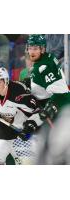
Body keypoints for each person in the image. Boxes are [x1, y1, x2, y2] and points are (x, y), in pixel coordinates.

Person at [25, 34, 70, 164]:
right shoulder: (44, 61)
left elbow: (60, 94)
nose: (32, 52)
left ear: (43, 49)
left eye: (35, 48)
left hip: (62, 114)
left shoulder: (43, 67)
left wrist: (51, 107)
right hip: (59, 112)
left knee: (55, 154)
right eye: (30, 48)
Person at [0, 67, 41, 165]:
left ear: (6, 81)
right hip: (6, 125)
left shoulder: (18, 92)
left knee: (43, 156)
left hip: (27, 123)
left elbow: (39, 111)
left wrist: (30, 126)